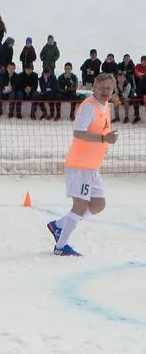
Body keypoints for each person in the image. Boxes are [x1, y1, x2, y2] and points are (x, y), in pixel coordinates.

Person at [48, 73, 118, 257]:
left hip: (92, 165)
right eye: (101, 88)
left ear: (113, 89)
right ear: (94, 88)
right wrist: (103, 139)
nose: (105, 91)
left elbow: (102, 131)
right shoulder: (89, 106)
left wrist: (104, 145)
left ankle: (59, 225)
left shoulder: (105, 106)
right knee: (80, 206)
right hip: (80, 164)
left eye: (108, 88)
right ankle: (61, 246)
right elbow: (78, 132)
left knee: (98, 204)